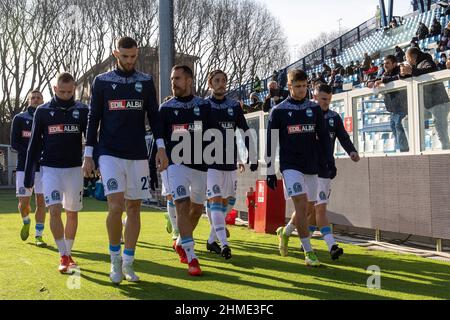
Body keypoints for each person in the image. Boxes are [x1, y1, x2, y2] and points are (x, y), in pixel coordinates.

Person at [83, 37, 169, 284]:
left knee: (134, 208)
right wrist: (88, 154)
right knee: (115, 206)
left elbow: (154, 115)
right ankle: (115, 260)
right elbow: (93, 118)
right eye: (125, 56)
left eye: (133, 57)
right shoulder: (101, 82)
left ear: (137, 54)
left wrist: (161, 148)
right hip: (108, 152)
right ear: (115, 54)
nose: (129, 61)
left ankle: (129, 262)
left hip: (138, 154)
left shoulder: (145, 81)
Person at [277, 84, 360, 261]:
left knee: (316, 210)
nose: (326, 103)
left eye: (329, 99)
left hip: (324, 169)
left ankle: (289, 233)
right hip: (305, 167)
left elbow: (343, 137)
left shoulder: (333, 117)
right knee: (308, 209)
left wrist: (351, 151)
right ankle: (329, 245)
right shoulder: (305, 114)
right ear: (314, 97)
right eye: (323, 99)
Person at [266, 69, 336, 267]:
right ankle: (309, 252)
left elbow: (323, 138)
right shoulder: (278, 110)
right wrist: (270, 170)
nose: (301, 90)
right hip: (290, 166)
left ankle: (285, 232)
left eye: (305, 86)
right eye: (297, 86)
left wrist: (328, 161)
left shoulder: (313, 109)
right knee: (300, 203)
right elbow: (271, 142)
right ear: (289, 86)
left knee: (307, 209)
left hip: (311, 165)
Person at [24, 73, 89, 274]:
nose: (66, 95)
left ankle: (68, 253)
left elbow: (92, 139)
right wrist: (28, 175)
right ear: (54, 89)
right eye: (62, 91)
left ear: (75, 89)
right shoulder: (42, 111)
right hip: (50, 169)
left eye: (70, 92)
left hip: (74, 169)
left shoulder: (82, 109)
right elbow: (33, 144)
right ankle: (63, 255)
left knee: (72, 213)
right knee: (54, 210)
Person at [159, 65, 215, 276]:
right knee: (182, 205)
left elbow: (212, 134)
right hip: (176, 164)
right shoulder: (165, 108)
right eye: (172, 78)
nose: (174, 82)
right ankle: (192, 256)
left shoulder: (204, 105)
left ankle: (182, 241)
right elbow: (159, 137)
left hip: (200, 165)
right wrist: (161, 154)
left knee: (197, 209)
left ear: (189, 80)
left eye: (178, 78)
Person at [205, 70, 258, 260]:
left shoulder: (234, 106)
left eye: (224, 81)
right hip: (209, 162)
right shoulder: (204, 105)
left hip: (229, 161)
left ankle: (212, 239)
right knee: (216, 201)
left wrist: (251, 155)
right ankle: (224, 244)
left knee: (229, 202)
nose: (221, 84)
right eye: (217, 81)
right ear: (210, 84)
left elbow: (244, 130)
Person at [10, 90, 47, 247]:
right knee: (23, 203)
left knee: (41, 201)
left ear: (42, 100)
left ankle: (39, 235)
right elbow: (14, 143)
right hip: (24, 166)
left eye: (38, 98)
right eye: (33, 98)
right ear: (28, 101)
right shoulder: (19, 118)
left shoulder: (47, 117)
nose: (36, 100)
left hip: (43, 167)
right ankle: (26, 221)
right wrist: (32, 154)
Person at [400, 47, 450, 149]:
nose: (407, 61)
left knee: (441, 130)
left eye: (407, 58)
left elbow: (431, 69)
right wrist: (403, 74)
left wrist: (411, 71)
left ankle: (446, 152)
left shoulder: (426, 60)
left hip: (439, 102)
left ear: (412, 57)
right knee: (406, 120)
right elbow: (411, 74)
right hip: (428, 104)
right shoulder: (416, 66)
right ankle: (414, 148)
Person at [368, 55, 409, 152]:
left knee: (399, 126)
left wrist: (382, 80)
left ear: (394, 64)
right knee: (393, 127)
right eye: (384, 63)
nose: (385, 65)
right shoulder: (384, 72)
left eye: (387, 63)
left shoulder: (399, 69)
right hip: (393, 109)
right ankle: (401, 150)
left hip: (402, 106)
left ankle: (405, 151)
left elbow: (399, 77)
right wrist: (369, 83)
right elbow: (375, 80)